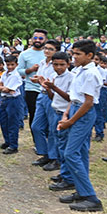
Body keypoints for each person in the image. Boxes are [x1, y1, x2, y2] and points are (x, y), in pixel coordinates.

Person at [55, 39, 104, 212]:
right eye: (73, 53)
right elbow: (74, 96)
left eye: (78, 54)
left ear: (90, 55)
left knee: (70, 153)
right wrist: (66, 113)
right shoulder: (78, 70)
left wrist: (71, 120)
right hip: (75, 109)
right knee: (81, 153)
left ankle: (91, 198)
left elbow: (88, 102)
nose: (73, 57)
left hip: (82, 114)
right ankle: (81, 191)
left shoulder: (91, 73)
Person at [41, 51, 74, 192]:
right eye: (56, 64)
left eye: (62, 64)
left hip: (64, 113)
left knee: (65, 145)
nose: (59, 67)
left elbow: (69, 98)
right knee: (59, 142)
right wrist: (48, 88)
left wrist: (54, 87)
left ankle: (68, 176)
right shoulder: (54, 76)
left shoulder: (72, 78)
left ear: (68, 64)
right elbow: (52, 97)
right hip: (55, 111)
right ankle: (64, 173)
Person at [29, 39, 60, 169]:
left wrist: (42, 82)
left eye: (50, 49)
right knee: (36, 126)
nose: (46, 51)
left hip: (53, 96)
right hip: (41, 94)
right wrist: (37, 80)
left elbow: (53, 83)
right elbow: (40, 78)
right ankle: (45, 152)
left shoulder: (58, 64)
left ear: (57, 51)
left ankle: (54, 158)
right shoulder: (42, 63)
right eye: (45, 48)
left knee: (53, 128)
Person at [16, 29, 48, 129]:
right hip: (31, 88)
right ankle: (36, 142)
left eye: (41, 38)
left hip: (48, 89)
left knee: (47, 116)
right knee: (33, 115)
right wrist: (30, 70)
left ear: (45, 40)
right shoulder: (24, 54)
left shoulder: (49, 53)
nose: (37, 40)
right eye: (35, 38)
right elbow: (19, 70)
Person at [0, 54, 23, 154]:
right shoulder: (5, 73)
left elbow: (9, 89)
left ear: (16, 64)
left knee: (12, 122)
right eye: (8, 65)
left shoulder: (15, 75)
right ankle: (7, 141)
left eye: (12, 64)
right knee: (4, 121)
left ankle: (13, 145)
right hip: (4, 99)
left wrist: (3, 88)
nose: (10, 67)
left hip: (13, 100)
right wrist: (4, 88)